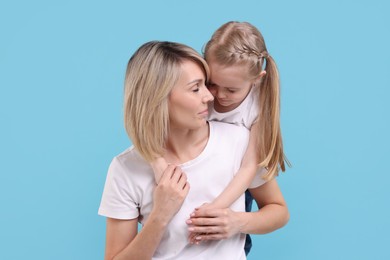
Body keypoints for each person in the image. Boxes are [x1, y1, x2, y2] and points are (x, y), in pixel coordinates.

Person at [98, 41, 289, 259]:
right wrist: (160, 215)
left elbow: (278, 209)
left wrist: (238, 222)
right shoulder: (126, 168)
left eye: (206, 85)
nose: (210, 97)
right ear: (157, 98)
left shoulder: (239, 142)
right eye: (196, 88)